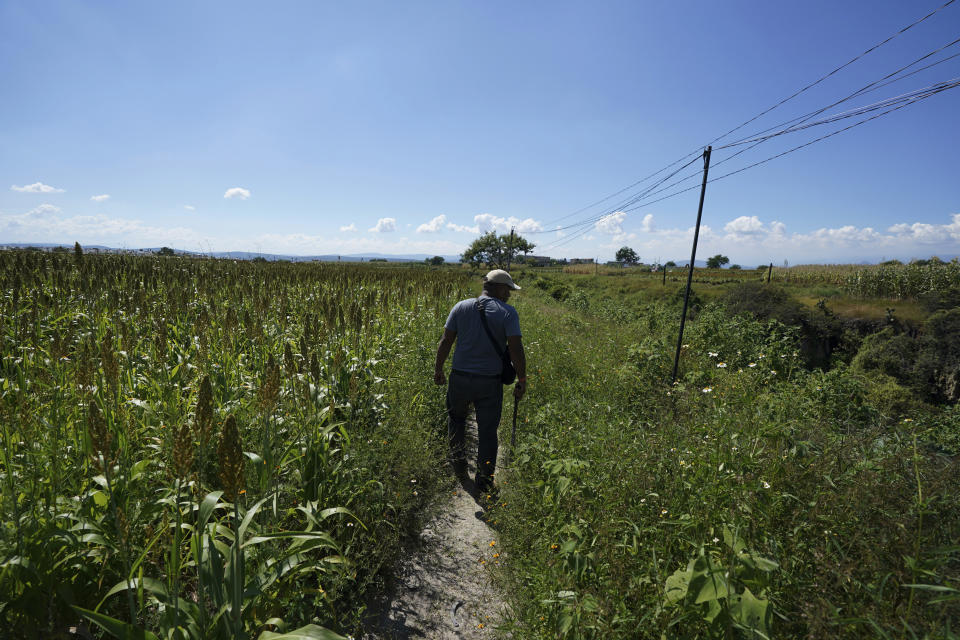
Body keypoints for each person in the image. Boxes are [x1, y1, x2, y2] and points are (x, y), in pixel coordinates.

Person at [434, 269, 527, 494]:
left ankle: (458, 466)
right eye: (508, 290)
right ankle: (484, 481)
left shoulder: (461, 307)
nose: (509, 295)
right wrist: (522, 378)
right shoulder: (508, 313)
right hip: (489, 383)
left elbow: (446, 340)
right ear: (498, 288)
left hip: (459, 379)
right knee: (487, 431)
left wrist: (438, 369)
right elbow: (515, 349)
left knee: (456, 421)